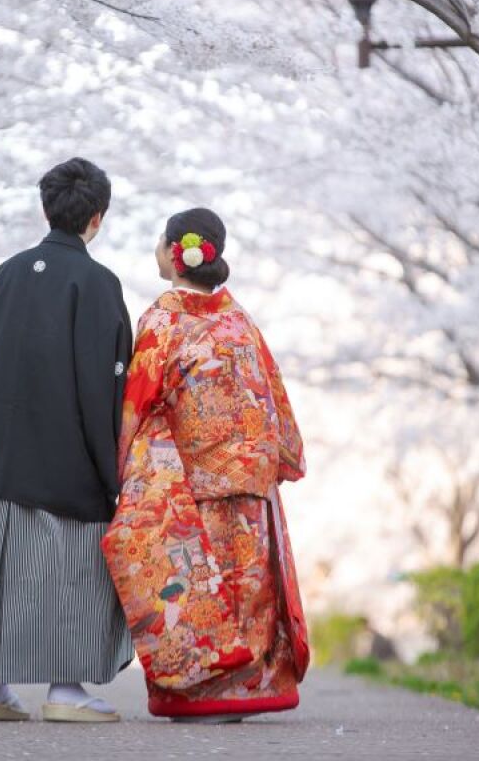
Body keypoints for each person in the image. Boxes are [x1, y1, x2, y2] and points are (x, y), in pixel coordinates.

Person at [0, 158, 134, 724]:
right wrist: (113, 463)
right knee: (70, 574)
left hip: (5, 458)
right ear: (97, 217)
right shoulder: (97, 282)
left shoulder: (8, 273)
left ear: (46, 208)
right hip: (69, 461)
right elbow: (108, 377)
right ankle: (65, 691)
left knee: (1, 573)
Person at [102, 207, 308, 722]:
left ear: (176, 254)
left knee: (199, 583)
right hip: (251, 482)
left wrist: (122, 465)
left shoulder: (163, 318)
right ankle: (248, 692)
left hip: (193, 482)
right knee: (248, 585)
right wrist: (277, 457)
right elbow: (273, 392)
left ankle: (204, 695)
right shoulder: (241, 319)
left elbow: (138, 401)